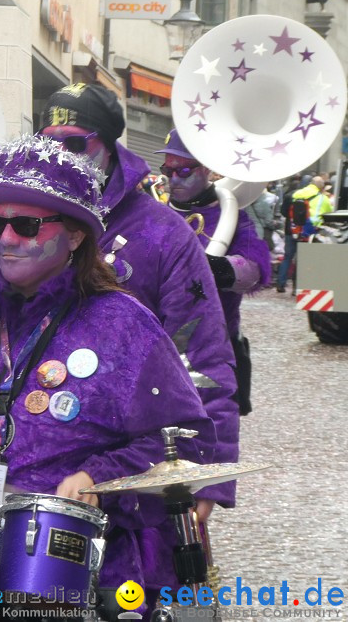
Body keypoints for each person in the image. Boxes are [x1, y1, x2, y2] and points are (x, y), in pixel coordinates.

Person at [0, 134, 214, 610]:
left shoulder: (125, 325)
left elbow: (183, 439)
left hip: (67, 569)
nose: (6, 239)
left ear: (76, 234)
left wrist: (99, 478)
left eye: (27, 225)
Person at [39, 82, 239, 596]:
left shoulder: (164, 234)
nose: (59, 155)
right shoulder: (27, 223)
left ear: (106, 146)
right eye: (47, 138)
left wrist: (208, 478)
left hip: (131, 474)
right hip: (35, 470)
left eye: (76, 143)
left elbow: (202, 358)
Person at [156, 128, 270, 416]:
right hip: (159, 342)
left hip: (213, 346)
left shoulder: (231, 216)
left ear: (207, 169)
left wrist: (212, 268)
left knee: (213, 434)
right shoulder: (153, 213)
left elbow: (255, 269)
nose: (173, 179)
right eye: (167, 170)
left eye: (182, 170)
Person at [276, 174, 333, 292]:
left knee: (287, 257)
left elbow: (285, 211)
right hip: (310, 232)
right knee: (303, 260)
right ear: (321, 187)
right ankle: (296, 288)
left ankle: (280, 284)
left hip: (292, 230)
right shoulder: (323, 199)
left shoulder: (295, 194)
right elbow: (329, 215)